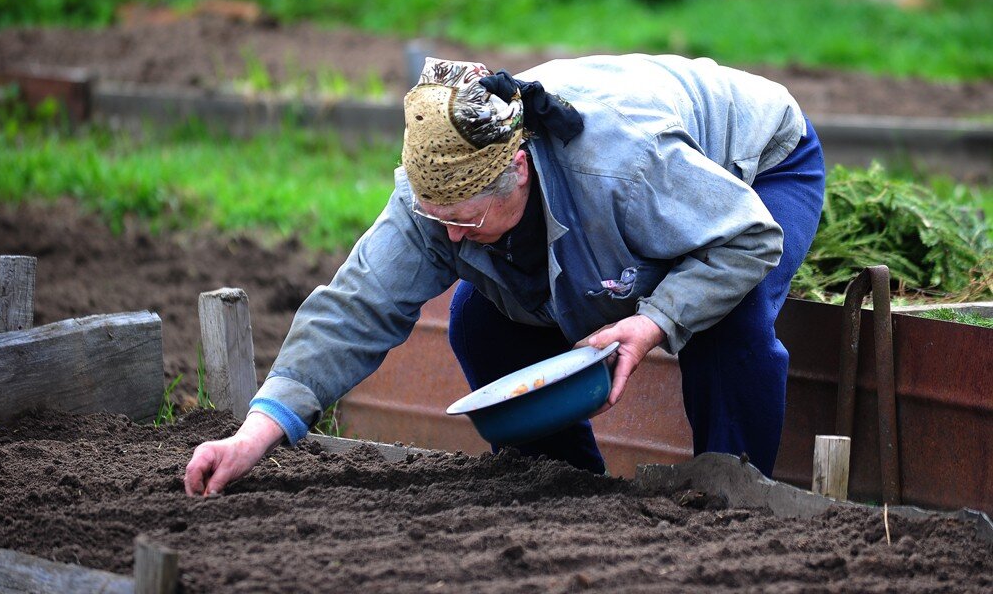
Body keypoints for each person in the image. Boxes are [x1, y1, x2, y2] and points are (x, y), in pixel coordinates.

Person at [184, 53, 825, 496]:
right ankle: (564, 484)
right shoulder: (435, 206)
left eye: (467, 218)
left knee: (725, 319)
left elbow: (746, 237)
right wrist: (254, 434)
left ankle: (729, 500)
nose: (453, 237)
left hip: (757, 160)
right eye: (440, 222)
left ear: (519, 167)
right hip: (635, 185)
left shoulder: (622, 167)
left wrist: (656, 320)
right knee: (478, 320)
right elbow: (356, 306)